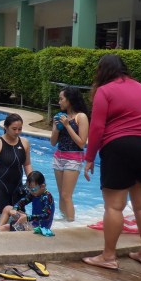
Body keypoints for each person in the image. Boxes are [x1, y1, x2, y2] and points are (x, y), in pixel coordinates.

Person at [82, 55, 141, 270]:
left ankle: (108, 256)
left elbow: (97, 127)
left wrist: (89, 157)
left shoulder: (105, 90)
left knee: (114, 206)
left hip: (121, 146)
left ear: (102, 71)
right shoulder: (140, 87)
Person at [50, 86, 90, 221]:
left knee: (67, 195)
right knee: (61, 195)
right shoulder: (60, 117)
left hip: (73, 159)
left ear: (70, 100)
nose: (59, 101)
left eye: (61, 99)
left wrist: (67, 126)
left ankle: (71, 224)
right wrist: (56, 128)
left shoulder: (81, 117)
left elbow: (81, 143)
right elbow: (52, 143)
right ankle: (63, 221)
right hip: (59, 157)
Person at [0, 113, 32, 216]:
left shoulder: (25, 143)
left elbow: (27, 165)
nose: (17, 132)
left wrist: (33, 183)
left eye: (20, 129)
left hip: (18, 188)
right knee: (0, 218)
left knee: (20, 217)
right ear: (6, 127)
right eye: (14, 129)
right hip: (0, 188)